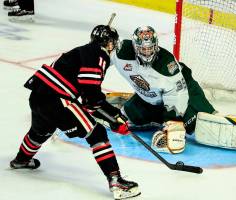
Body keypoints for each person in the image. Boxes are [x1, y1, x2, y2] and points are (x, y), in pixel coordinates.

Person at [9, 24, 141, 200]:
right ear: (109, 43)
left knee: (40, 131)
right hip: (58, 99)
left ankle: (21, 160)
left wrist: (112, 117)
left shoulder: (83, 50)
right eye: (113, 43)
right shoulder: (98, 55)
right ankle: (116, 181)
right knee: (97, 133)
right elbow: (92, 99)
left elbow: (87, 102)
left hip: (38, 96)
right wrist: (114, 118)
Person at [110, 26, 216, 154]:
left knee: (197, 125)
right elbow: (104, 55)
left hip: (185, 92)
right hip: (152, 98)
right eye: (143, 49)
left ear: (156, 46)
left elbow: (178, 94)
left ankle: (210, 116)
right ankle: (158, 117)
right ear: (135, 47)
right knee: (127, 117)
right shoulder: (122, 53)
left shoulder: (167, 65)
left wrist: (172, 121)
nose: (147, 52)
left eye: (150, 48)